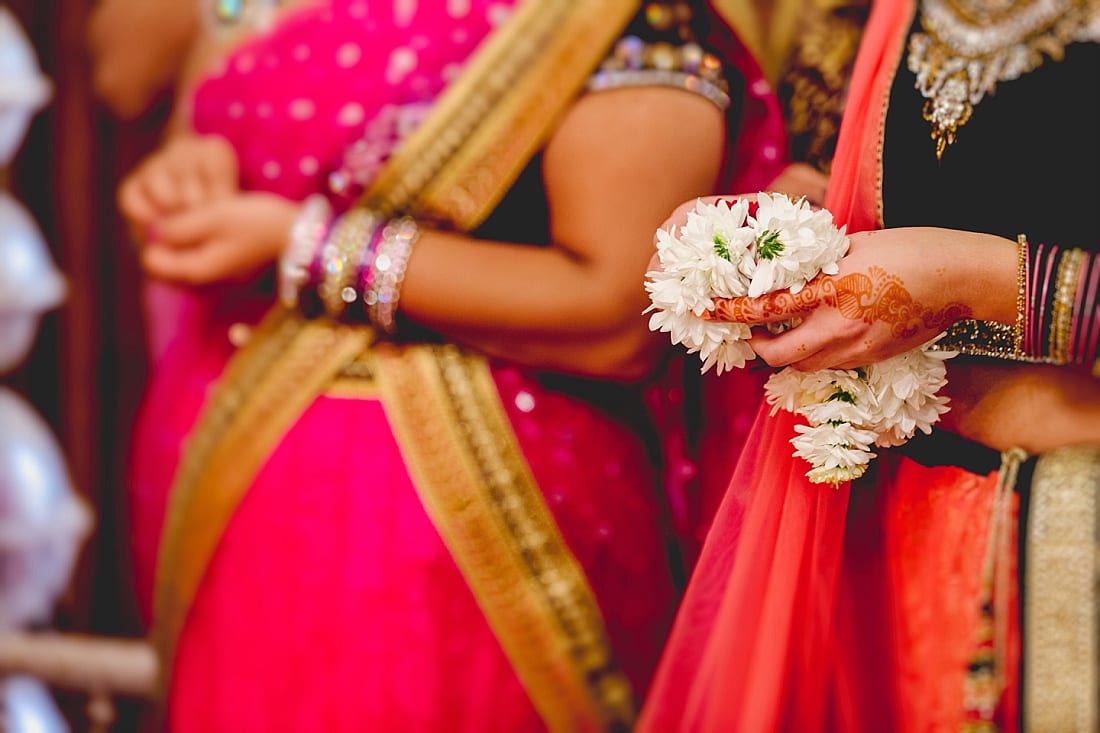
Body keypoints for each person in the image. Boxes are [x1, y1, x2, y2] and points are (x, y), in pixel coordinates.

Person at [112, 1, 788, 730]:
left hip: (463, 532)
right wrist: (190, 176)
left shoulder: (615, 18)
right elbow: (154, 97)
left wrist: (312, 249)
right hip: (237, 494)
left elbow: (621, 311)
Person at [638, 1, 1100, 731]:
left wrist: (976, 281)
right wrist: (795, 223)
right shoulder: (854, 15)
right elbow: (905, 173)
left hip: (1074, 536)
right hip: (895, 533)